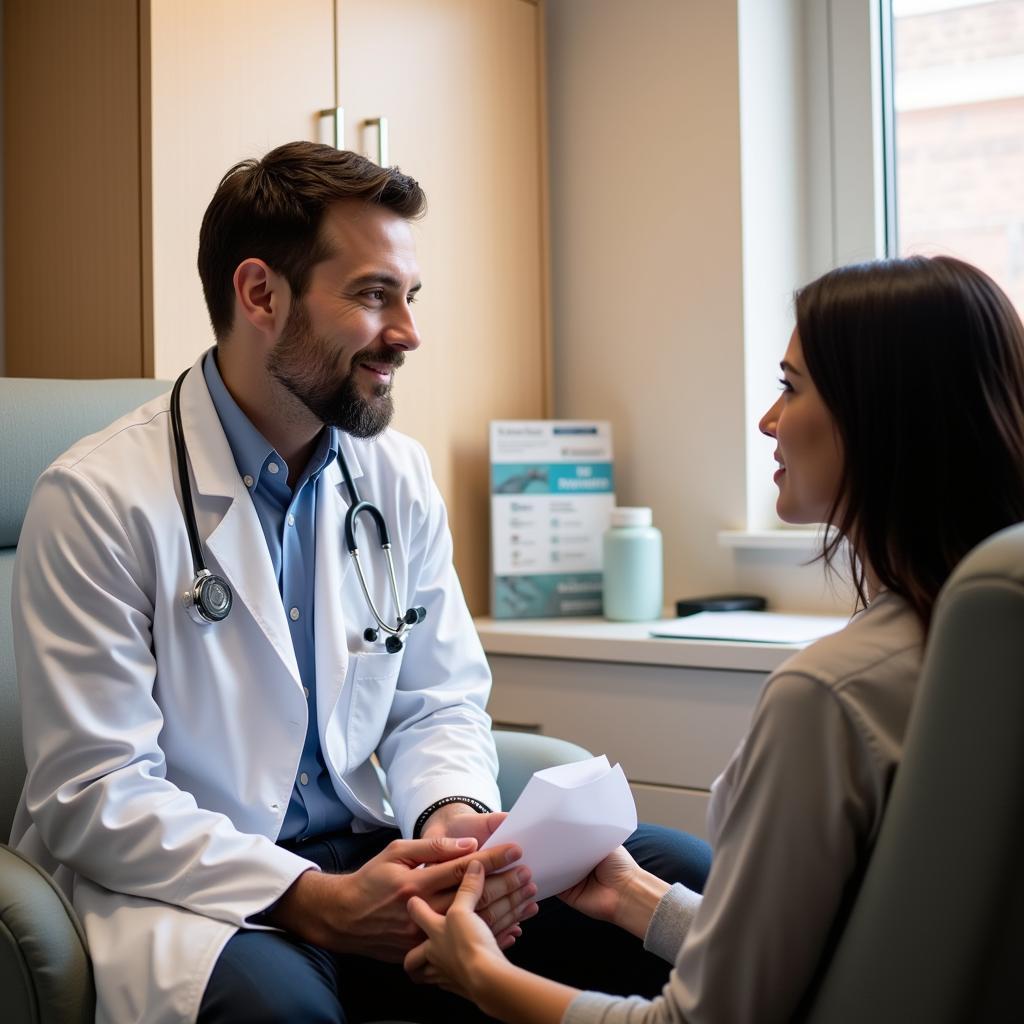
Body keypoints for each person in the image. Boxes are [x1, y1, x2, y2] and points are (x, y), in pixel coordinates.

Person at [10, 141, 707, 1024]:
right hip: (208, 891)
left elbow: (440, 702)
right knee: (283, 1013)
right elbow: (93, 790)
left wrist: (454, 821)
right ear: (259, 294)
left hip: (379, 850)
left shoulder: (394, 476)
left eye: (409, 297)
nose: (408, 333)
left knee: (684, 877)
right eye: (375, 296)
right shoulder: (98, 497)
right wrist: (311, 897)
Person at [403, 255, 1024, 1023]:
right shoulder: (976, 647)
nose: (768, 419)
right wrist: (635, 897)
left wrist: (482, 976)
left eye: (791, 388)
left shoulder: (829, 695)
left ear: (880, 415)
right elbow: (846, 954)